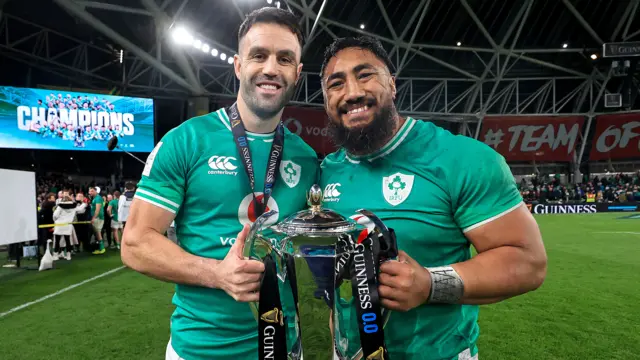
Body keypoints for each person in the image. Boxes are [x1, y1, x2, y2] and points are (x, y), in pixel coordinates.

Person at [318, 36, 548, 360]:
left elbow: (529, 262)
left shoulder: (461, 159)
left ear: (393, 84)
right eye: (336, 83)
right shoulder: (325, 173)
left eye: (365, 74)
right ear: (326, 99)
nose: (352, 92)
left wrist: (430, 284)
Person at [121, 7, 319, 360]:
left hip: (285, 349)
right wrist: (217, 274)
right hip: (201, 350)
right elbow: (136, 243)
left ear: (297, 72)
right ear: (239, 65)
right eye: (258, 55)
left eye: (285, 59)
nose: (271, 68)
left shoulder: (306, 158)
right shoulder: (186, 141)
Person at [52, 195, 87, 260]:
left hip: (59, 225)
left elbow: (55, 215)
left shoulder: (60, 207)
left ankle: (56, 255)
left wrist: (55, 221)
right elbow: (80, 209)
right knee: (68, 241)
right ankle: (68, 256)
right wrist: (84, 203)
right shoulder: (74, 206)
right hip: (68, 225)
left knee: (57, 241)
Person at [88, 186, 106, 255]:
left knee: (98, 233)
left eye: (92, 191)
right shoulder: (96, 198)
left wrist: (93, 218)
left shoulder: (98, 198)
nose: (90, 192)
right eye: (89, 191)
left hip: (98, 218)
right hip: (97, 218)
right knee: (97, 233)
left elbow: (97, 210)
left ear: (95, 191)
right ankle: (100, 248)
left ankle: (102, 248)